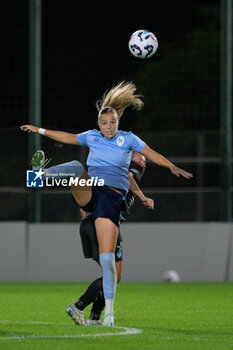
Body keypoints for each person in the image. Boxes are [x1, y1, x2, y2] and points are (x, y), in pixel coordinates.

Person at [21, 81, 193, 327]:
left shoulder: (128, 141)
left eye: (113, 122)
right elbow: (68, 137)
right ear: (99, 124)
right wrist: (39, 130)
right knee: (77, 168)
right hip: (92, 191)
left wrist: (170, 166)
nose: (109, 126)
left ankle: (104, 315)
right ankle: (40, 175)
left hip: (108, 202)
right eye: (104, 123)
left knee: (108, 265)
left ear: (118, 123)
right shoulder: (92, 137)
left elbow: (151, 153)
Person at [68, 152, 147, 326]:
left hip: (89, 225)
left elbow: (84, 206)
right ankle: (78, 306)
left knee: (109, 275)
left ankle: (94, 316)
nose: (143, 160)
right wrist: (143, 197)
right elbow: (130, 173)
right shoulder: (125, 173)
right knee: (114, 276)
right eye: (140, 158)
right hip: (103, 226)